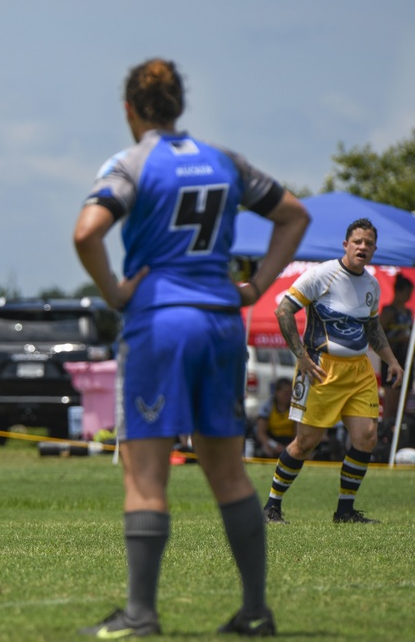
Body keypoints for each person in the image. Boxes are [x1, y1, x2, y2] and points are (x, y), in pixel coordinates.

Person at [72, 57, 309, 638]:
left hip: (161, 324)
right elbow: (293, 215)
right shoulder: (225, 161)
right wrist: (254, 286)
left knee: (146, 475)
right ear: (180, 107)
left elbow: (86, 232)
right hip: (221, 323)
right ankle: (255, 612)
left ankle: (141, 615)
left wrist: (115, 292)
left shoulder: (130, 164)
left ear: (130, 110)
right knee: (228, 472)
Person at [263, 219, 404, 525]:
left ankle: (345, 511)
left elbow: (372, 327)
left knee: (366, 436)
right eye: (357, 242)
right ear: (346, 245)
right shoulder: (322, 274)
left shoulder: (372, 285)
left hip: (359, 371)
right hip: (321, 370)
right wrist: (300, 356)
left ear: (374, 249)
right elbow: (283, 310)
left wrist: (392, 361)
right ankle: (272, 506)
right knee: (307, 442)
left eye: (368, 243)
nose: (362, 247)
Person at [379, 275, 413, 431]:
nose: (409, 296)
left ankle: (397, 434)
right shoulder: (389, 311)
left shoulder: (407, 313)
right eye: (407, 292)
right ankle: (384, 435)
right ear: (398, 292)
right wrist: (400, 338)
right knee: (391, 406)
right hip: (392, 360)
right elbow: (378, 336)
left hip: (406, 360)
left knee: (402, 407)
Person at [255, 377, 296, 458]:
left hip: (289, 442)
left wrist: (289, 446)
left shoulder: (295, 409)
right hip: (272, 441)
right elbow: (260, 433)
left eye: (290, 393)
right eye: (285, 393)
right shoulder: (267, 407)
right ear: (277, 392)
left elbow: (298, 433)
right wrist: (274, 445)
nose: (287, 396)